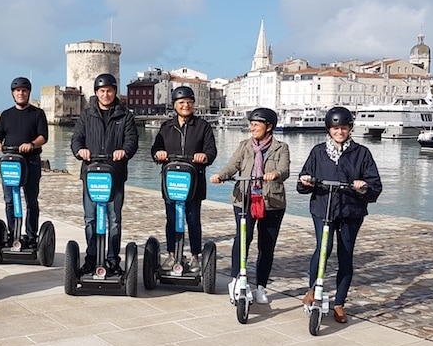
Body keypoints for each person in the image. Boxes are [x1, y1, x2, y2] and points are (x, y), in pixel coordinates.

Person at [297, 106, 382, 324]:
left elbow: (375, 185)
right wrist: (306, 181)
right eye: (335, 128)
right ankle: (313, 289)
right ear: (329, 130)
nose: (340, 132)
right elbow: (303, 181)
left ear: (350, 129)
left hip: (351, 210)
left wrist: (363, 186)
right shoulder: (318, 152)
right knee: (322, 249)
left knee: (346, 254)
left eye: (344, 128)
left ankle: (339, 303)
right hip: (323, 208)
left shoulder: (362, 153)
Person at [209, 107, 290, 304]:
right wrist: (221, 175)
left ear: (268, 126)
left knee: (266, 245)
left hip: (272, 202)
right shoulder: (244, 145)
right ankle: (237, 279)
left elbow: (285, 169)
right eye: (251, 124)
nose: (252, 127)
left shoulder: (281, 147)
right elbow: (233, 165)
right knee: (243, 238)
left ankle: (261, 286)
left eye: (256, 124)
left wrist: (276, 174)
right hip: (244, 199)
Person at [70, 73, 138, 275]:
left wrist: (124, 151)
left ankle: (112, 259)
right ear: (96, 93)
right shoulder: (86, 115)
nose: (106, 94)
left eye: (109, 90)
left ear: (115, 92)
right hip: (91, 175)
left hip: (114, 174)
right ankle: (91, 259)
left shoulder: (125, 116)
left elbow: (132, 141)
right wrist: (79, 150)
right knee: (90, 218)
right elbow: (76, 139)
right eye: (102, 91)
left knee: (114, 219)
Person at [150, 86, 217, 272]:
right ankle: (172, 254)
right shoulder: (166, 127)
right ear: (175, 105)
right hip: (171, 182)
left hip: (194, 182)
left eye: (189, 102)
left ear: (193, 104)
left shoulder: (202, 126)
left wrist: (204, 157)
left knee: (193, 219)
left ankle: (195, 255)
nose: (185, 105)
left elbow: (211, 150)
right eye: (181, 102)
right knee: (171, 219)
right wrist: (159, 154)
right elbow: (155, 150)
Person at [0, 77, 49, 247]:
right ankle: (12, 233)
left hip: (31, 162)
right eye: (17, 91)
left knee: (31, 200)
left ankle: (31, 235)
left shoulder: (38, 113)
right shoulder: (6, 115)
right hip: (11, 163)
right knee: (10, 199)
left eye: (24, 90)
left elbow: (43, 137)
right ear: (13, 93)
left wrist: (31, 144)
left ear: (28, 93)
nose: (21, 93)